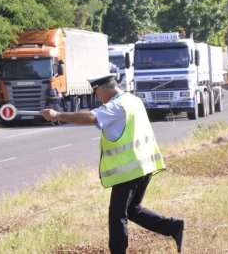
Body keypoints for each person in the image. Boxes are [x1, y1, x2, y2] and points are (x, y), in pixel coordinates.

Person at [40, 74, 185, 254]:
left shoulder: (117, 105)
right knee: (132, 210)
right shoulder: (133, 100)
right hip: (143, 165)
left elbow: (90, 117)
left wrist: (58, 115)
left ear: (103, 89)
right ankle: (173, 227)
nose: (96, 97)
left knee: (117, 215)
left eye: (96, 93)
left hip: (129, 169)